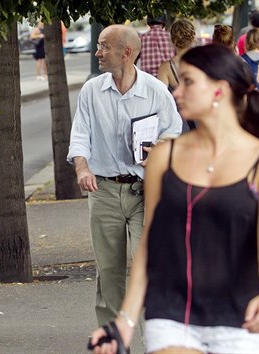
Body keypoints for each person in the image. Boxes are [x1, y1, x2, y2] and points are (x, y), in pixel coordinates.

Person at [89, 44, 259, 354]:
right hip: (173, 312)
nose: (176, 92)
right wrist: (126, 321)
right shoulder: (164, 157)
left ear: (219, 90)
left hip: (241, 314)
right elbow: (150, 242)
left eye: (188, 82)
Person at [67, 24, 182, 327]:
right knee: (109, 271)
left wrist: (162, 145)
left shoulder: (155, 91)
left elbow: (175, 131)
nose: (98, 51)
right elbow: (80, 135)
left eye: (104, 45)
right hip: (103, 191)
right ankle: (114, 339)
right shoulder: (92, 90)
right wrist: (82, 167)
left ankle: (156, 337)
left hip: (146, 191)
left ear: (126, 52)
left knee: (150, 265)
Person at [157, 19, 196, 93]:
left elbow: (161, 97)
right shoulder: (203, 61)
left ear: (172, 39)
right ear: (193, 38)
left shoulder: (165, 67)